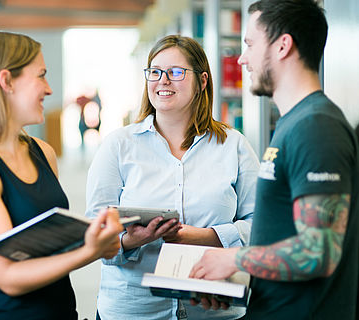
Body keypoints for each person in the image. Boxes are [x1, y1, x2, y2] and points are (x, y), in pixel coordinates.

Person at [189, 1, 359, 319]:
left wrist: (234, 259)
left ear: (283, 46)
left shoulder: (316, 127)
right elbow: (284, 237)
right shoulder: (292, 124)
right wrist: (237, 282)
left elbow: (319, 251)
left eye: (251, 45)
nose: (242, 58)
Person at [0, 31, 124, 320]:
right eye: (41, 75)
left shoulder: (42, 152)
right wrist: (91, 250)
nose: (49, 89)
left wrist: (112, 235)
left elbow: (48, 248)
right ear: (6, 82)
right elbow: (7, 276)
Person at [85, 35, 259, 320]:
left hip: (213, 310)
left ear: (202, 81)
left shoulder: (234, 145)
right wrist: (131, 241)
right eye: (155, 72)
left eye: (176, 72)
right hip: (135, 311)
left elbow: (262, 225)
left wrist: (206, 237)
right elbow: (92, 234)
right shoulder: (118, 145)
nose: (163, 80)